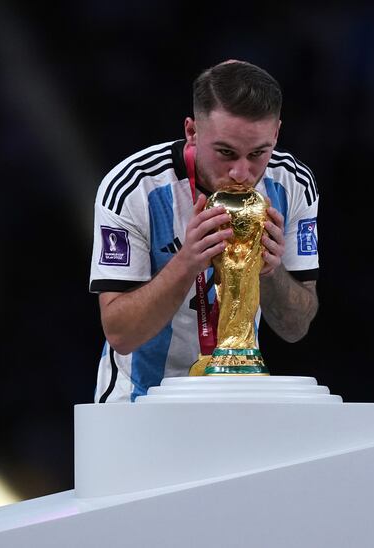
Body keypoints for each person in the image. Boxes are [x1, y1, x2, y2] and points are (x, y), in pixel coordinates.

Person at [89, 60, 320, 402]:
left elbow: (296, 327)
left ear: (276, 134)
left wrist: (271, 272)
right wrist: (187, 263)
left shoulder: (293, 185)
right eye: (226, 152)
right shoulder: (134, 187)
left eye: (259, 153)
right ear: (192, 132)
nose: (242, 172)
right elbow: (120, 333)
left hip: (235, 399)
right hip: (138, 406)